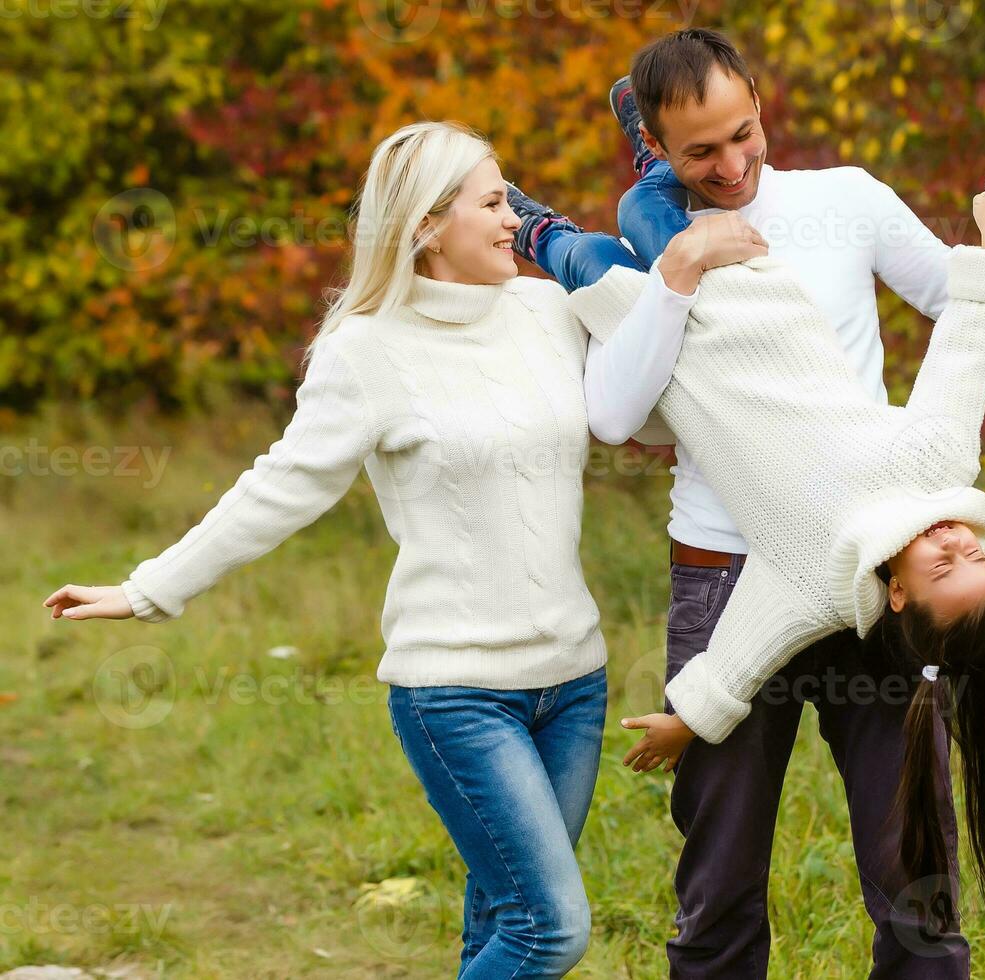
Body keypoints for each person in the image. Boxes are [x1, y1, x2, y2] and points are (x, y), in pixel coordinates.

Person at [40, 119, 758, 979]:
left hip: (572, 681)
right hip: (454, 691)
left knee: (500, 918)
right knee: (551, 931)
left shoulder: (543, 310)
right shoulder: (366, 351)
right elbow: (282, 487)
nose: (514, 223)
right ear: (425, 225)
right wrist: (149, 589)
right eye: (494, 204)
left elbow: (643, 400)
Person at [506, 32, 985, 969]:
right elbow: (615, 416)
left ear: (761, 106)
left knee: (916, 874)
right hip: (718, 564)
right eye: (701, 151)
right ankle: (568, 212)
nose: (734, 164)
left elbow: (983, 325)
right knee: (718, 879)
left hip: (860, 621)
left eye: (743, 137)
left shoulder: (846, 201)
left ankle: (573, 218)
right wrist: (678, 274)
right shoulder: (936, 468)